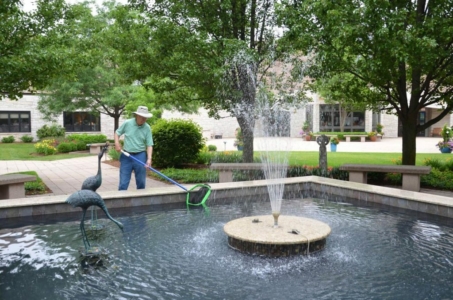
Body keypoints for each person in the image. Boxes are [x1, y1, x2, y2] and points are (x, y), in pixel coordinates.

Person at [114, 106, 154, 190]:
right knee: (123, 183)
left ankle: (141, 201)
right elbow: (117, 133)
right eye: (142, 117)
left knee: (141, 183)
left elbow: (149, 144)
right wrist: (117, 143)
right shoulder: (127, 123)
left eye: (145, 118)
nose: (144, 119)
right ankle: (121, 200)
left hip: (140, 155)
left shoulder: (147, 128)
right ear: (136, 116)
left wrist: (149, 159)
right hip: (126, 156)